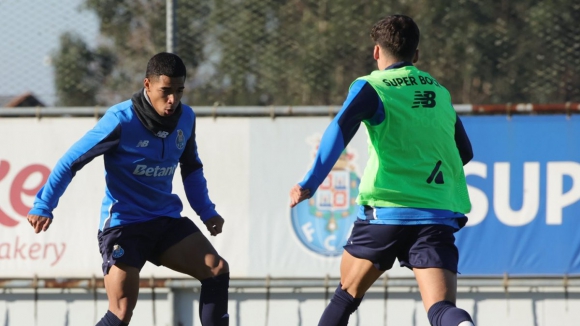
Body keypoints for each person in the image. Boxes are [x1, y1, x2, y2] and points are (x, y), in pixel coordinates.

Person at [289, 15, 475, 326]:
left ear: (377, 52)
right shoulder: (439, 92)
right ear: (416, 55)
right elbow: (465, 153)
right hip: (435, 214)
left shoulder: (373, 86)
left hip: (385, 214)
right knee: (441, 309)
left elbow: (340, 129)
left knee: (346, 295)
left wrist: (310, 182)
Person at [27, 52, 230, 326]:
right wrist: (44, 204)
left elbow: (191, 169)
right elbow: (71, 162)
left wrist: (206, 211)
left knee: (216, 270)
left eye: (179, 91)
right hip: (125, 225)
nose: (173, 100)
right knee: (121, 312)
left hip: (164, 220)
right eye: (165, 91)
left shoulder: (186, 119)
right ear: (147, 85)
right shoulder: (121, 119)